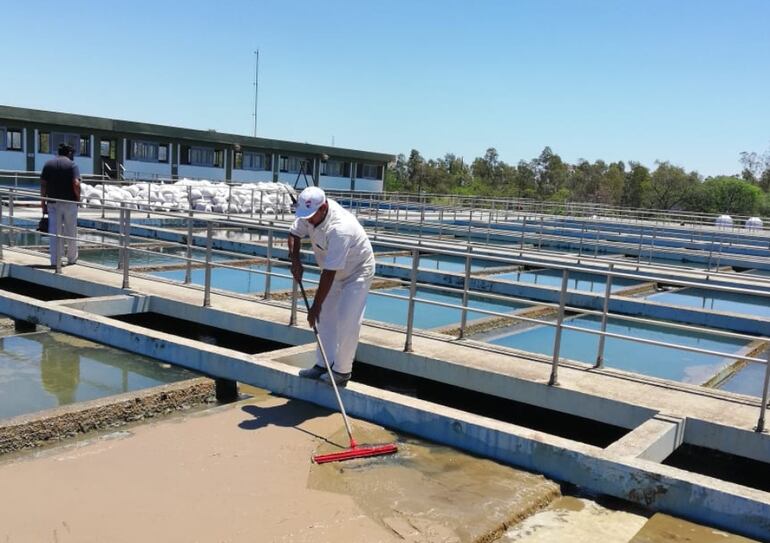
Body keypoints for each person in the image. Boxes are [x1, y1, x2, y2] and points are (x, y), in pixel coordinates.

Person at [289, 186, 374, 386]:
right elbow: (294, 233)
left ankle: (342, 371)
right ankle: (323, 364)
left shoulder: (340, 228)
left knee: (347, 319)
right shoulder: (308, 214)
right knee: (324, 318)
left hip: (357, 271)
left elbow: (328, 274)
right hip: (333, 271)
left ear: (324, 207)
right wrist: (295, 259)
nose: (308, 220)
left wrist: (315, 306)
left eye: (311, 216)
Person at [41, 143, 81, 267]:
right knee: (71, 231)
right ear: (69, 153)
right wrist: (78, 198)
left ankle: (55, 260)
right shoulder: (72, 165)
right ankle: (71, 259)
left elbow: (43, 185)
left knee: (54, 232)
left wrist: (43, 203)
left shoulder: (48, 165)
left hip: (52, 203)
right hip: (69, 203)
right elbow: (76, 183)